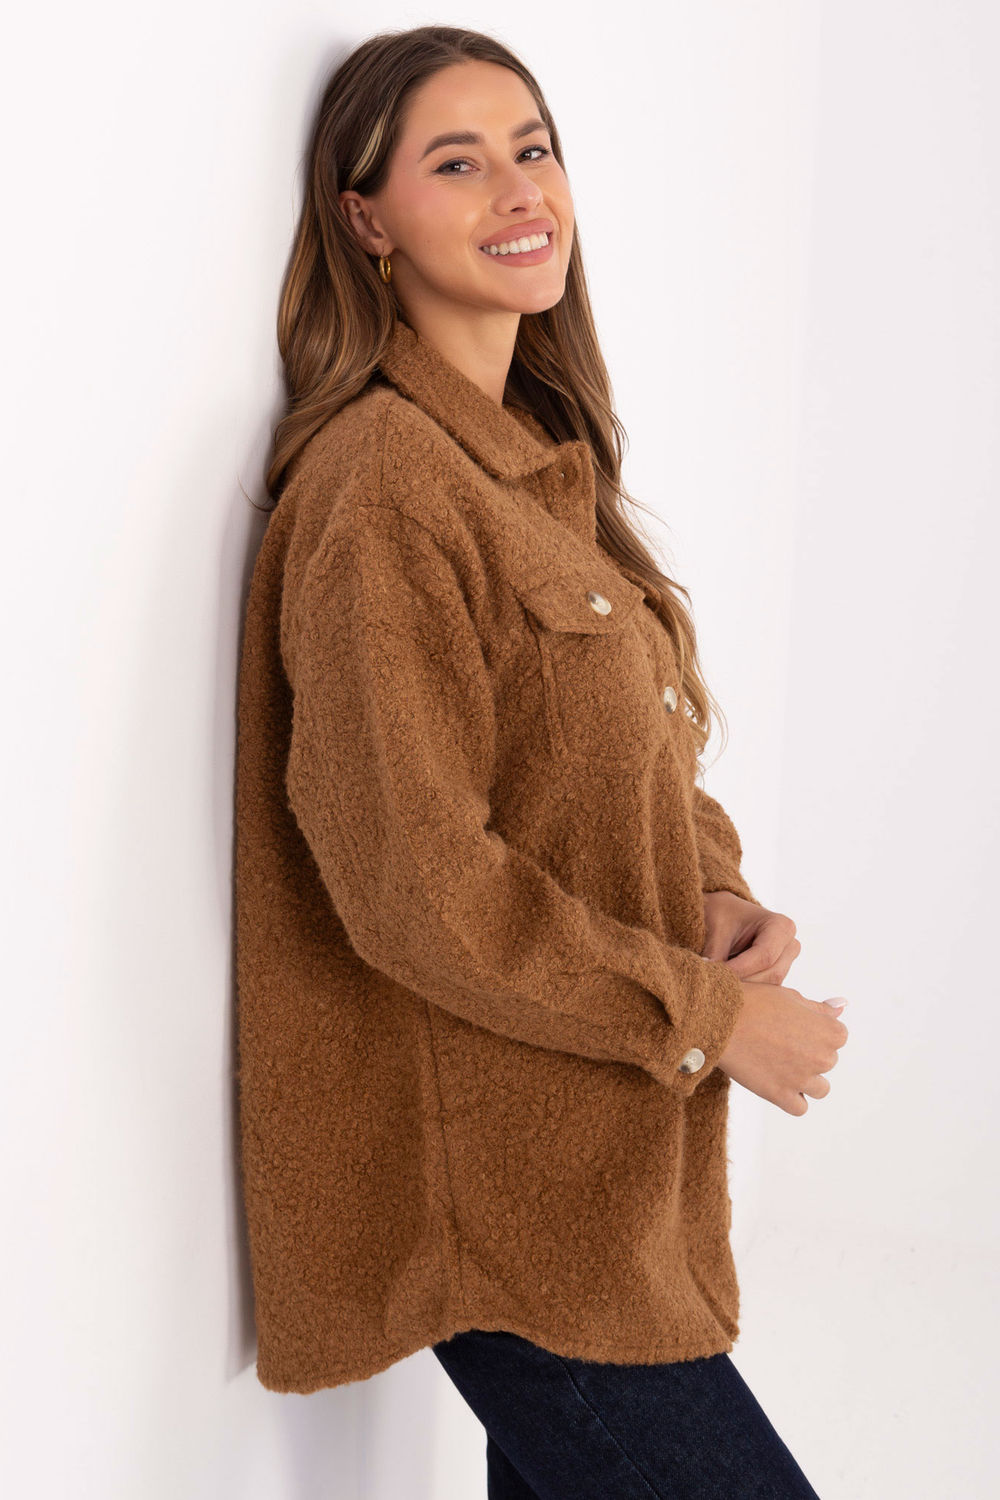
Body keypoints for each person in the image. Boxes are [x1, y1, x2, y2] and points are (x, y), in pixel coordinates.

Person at [234, 23, 849, 1498]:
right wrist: (713, 1020)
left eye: (534, 149)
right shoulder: (382, 489)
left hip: (600, 1180)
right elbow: (415, 883)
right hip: (510, 1205)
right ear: (366, 222)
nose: (520, 190)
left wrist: (713, 889)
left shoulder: (532, 463)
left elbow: (624, 746)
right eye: (457, 163)